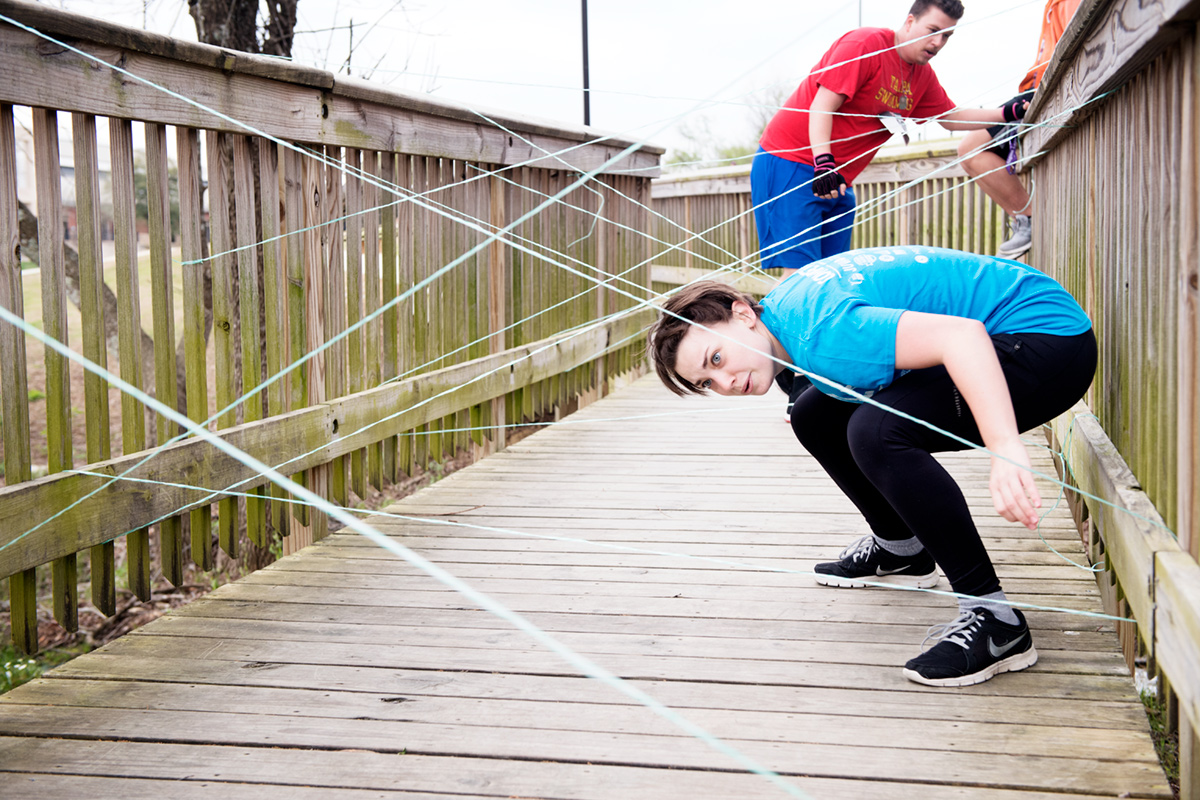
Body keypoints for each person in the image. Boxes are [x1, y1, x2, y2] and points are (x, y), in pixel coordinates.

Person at [649, 245, 1096, 687]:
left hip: (1047, 342)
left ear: (743, 314)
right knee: (814, 414)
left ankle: (996, 620)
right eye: (708, 382)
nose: (725, 382)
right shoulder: (786, 318)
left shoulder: (826, 332)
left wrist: (1006, 449)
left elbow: (962, 337)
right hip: (1017, 330)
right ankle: (902, 550)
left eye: (717, 358)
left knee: (876, 432)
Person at [752, 0, 1026, 416]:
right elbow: (822, 103)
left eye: (947, 36)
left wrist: (1006, 113)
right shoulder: (865, 44)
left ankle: (816, 376)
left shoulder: (919, 77)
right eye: (932, 29)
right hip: (792, 159)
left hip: (836, 176)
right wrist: (824, 160)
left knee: (828, 276)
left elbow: (951, 118)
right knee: (799, 273)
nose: (937, 42)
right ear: (910, 20)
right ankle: (792, 378)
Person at [957, 0, 1082, 258]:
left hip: (1044, 94)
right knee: (968, 152)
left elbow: (1078, 34)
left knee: (970, 148)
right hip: (1034, 93)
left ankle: (1028, 218)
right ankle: (1025, 217)